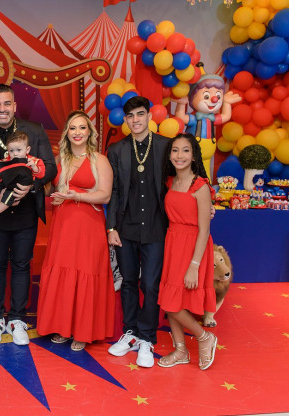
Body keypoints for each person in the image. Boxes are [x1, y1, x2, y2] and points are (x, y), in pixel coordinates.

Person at [0, 84, 57, 345]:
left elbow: (50, 167)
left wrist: (32, 186)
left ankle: (17, 318)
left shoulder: (35, 130)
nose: (2, 109)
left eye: (7, 103)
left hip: (26, 213)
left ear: (14, 106)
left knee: (21, 265)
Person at [37, 111, 115, 351]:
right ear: (67, 133)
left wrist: (76, 196)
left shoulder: (99, 160)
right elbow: (50, 190)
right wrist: (36, 173)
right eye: (73, 128)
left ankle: (83, 331)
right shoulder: (60, 159)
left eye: (82, 127)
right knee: (64, 270)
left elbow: (105, 195)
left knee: (85, 271)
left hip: (88, 225)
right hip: (63, 224)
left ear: (90, 132)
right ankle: (63, 327)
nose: (78, 132)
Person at [106, 96, 168, 368]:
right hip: (126, 227)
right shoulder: (117, 150)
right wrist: (111, 227)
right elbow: (113, 192)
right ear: (125, 120)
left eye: (140, 114)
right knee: (129, 281)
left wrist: (204, 203)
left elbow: (187, 177)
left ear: (149, 116)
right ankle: (130, 331)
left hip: (157, 227)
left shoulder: (166, 146)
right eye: (130, 116)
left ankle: (147, 337)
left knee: (151, 285)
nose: (135, 120)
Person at [157, 133, 217, 370]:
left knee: (171, 303)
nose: (179, 155)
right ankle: (181, 350)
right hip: (173, 243)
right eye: (175, 150)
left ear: (193, 156)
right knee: (171, 299)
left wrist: (194, 265)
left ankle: (204, 337)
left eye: (185, 150)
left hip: (192, 246)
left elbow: (204, 230)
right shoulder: (170, 182)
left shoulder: (200, 186)